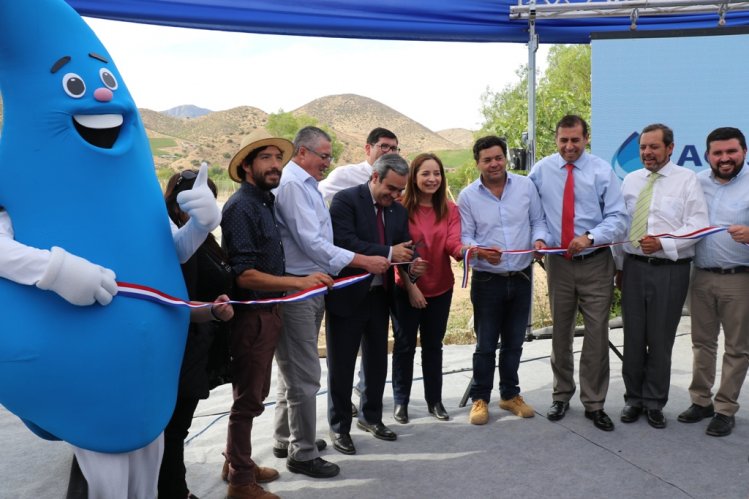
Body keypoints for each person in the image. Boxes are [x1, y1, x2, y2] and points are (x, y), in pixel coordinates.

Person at [0, 163, 220, 499]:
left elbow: (172, 250)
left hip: (143, 358)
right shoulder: (32, 190)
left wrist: (200, 225)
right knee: (102, 462)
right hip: (83, 352)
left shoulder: (134, 194)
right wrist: (57, 270)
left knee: (146, 457)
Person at [220, 130, 334, 499]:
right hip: (253, 312)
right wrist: (296, 283)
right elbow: (244, 273)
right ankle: (240, 480)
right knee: (249, 398)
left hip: (270, 309)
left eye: (276, 158)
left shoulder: (265, 203)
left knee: (258, 391)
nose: (274, 165)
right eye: (265, 158)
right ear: (247, 167)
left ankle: (236, 462)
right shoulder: (241, 208)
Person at [272, 126, 389, 478]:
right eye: (323, 155)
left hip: (313, 285)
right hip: (299, 290)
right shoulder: (293, 186)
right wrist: (364, 260)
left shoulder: (305, 184)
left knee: (292, 370)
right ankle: (303, 453)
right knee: (305, 375)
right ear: (302, 152)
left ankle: (285, 437)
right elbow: (314, 243)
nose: (328, 162)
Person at [529, 114, 627, 432]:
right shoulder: (541, 171)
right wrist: (539, 238)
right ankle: (561, 395)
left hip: (596, 261)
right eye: (563, 140)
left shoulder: (601, 171)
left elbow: (617, 217)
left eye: (575, 139)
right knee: (561, 332)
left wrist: (591, 237)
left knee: (597, 334)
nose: (569, 146)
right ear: (556, 139)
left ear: (586, 138)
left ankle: (594, 403)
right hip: (558, 264)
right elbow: (535, 214)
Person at [326, 153, 424, 455]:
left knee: (376, 363)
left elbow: (403, 248)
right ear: (374, 177)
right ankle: (339, 425)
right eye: (391, 189)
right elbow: (343, 242)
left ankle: (371, 417)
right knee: (342, 365)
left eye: (400, 191)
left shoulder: (396, 210)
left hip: (380, 296)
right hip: (348, 295)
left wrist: (412, 265)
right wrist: (389, 250)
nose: (395, 196)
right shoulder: (345, 201)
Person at [614, 124, 708, 429]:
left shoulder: (686, 180)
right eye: (643, 147)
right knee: (633, 336)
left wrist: (664, 243)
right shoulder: (630, 180)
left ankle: (655, 402)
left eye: (654, 147)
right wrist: (618, 266)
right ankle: (633, 399)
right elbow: (621, 225)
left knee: (660, 338)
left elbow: (697, 224)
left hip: (670, 270)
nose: (647, 153)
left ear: (670, 148)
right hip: (634, 268)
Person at [158, 170, 236, 499]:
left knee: (177, 425)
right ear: (176, 203)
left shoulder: (203, 240)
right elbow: (177, 297)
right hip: (181, 345)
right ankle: (175, 491)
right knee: (174, 427)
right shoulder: (170, 242)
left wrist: (213, 307)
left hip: (198, 340)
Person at [459, 136, 548, 425]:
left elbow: (538, 221)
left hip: (522, 276)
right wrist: (481, 253)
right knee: (485, 344)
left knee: (514, 342)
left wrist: (538, 240)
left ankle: (510, 395)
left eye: (498, 157)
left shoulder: (525, 187)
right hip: (487, 281)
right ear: (478, 163)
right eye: (487, 159)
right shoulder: (468, 196)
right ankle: (480, 398)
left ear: (505, 158)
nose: (494, 163)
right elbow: (465, 238)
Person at [677, 127, 749, 437]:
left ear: (743, 152)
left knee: (737, 348)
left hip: (739, 278)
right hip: (702, 276)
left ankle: (725, 408)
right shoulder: (696, 182)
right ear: (707, 155)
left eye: (731, 151)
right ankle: (701, 401)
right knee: (701, 343)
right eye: (717, 153)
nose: (724, 158)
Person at [392, 153, 465, 424]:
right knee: (404, 347)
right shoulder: (399, 207)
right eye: (425, 173)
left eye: (436, 173)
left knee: (433, 347)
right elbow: (396, 254)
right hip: (405, 289)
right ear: (414, 176)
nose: (432, 179)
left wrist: (465, 252)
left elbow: (453, 243)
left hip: (441, 288)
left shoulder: (449, 209)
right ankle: (401, 402)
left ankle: (435, 401)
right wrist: (411, 287)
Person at [318, 127, 400, 205]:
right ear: (368, 149)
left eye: (394, 148)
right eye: (384, 146)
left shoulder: (398, 183)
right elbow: (316, 197)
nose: (390, 153)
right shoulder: (345, 175)